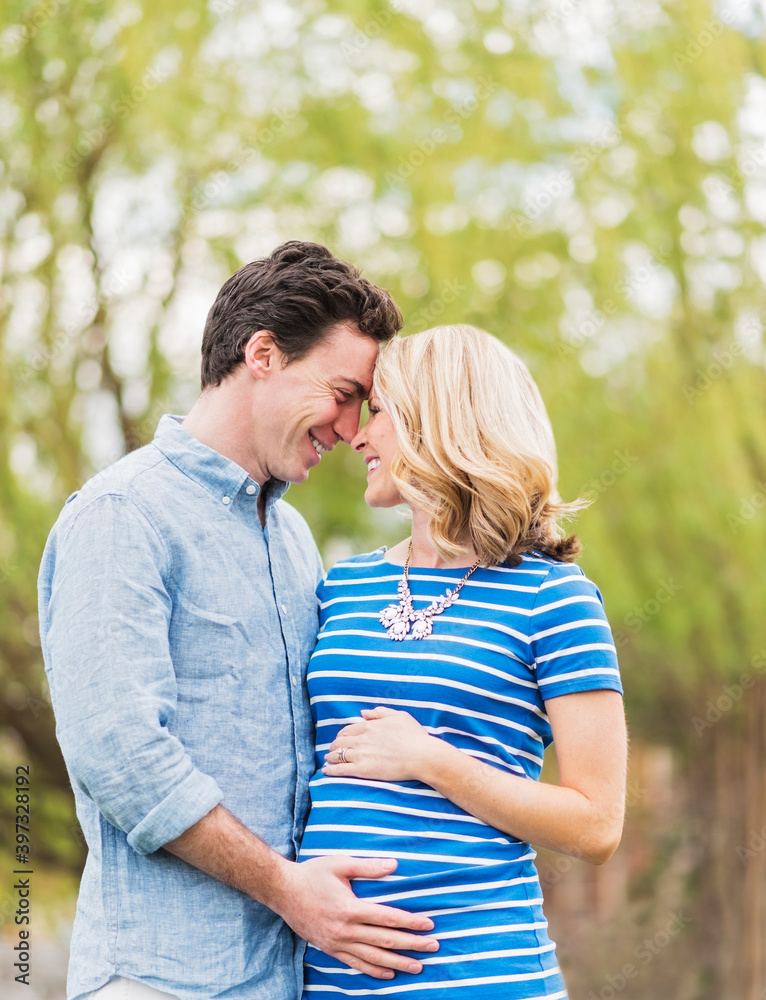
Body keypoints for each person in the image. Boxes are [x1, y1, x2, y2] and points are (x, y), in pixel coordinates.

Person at [37, 241, 440, 1000]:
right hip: (158, 980)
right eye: (343, 393)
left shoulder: (292, 540)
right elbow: (120, 752)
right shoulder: (124, 515)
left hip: (285, 978)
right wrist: (289, 890)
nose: (351, 428)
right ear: (262, 354)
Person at [299, 324, 628, 998]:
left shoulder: (554, 599)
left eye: (380, 411)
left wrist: (429, 759)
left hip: (478, 974)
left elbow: (597, 824)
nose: (357, 436)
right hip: (327, 979)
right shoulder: (340, 587)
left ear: (440, 422)